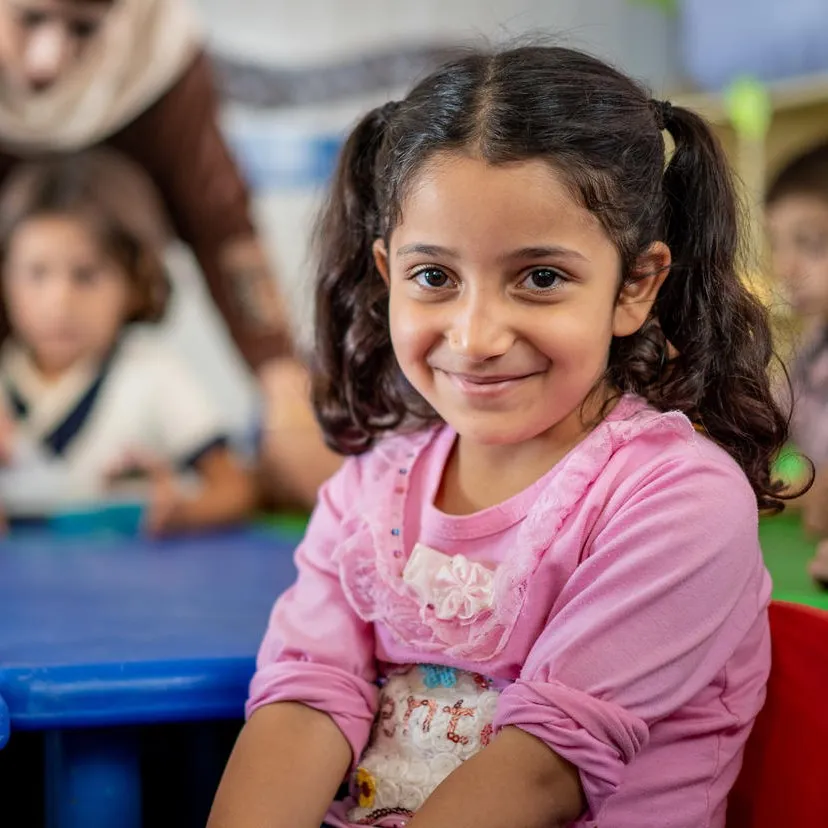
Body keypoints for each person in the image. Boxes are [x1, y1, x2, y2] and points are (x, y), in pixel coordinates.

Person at [208, 46, 791, 828]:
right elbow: (305, 701)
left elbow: (541, 770)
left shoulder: (678, 497)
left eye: (540, 277)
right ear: (387, 276)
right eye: (435, 277)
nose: (477, 336)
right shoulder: (369, 486)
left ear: (635, 286)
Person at [0, 0, 341, 508]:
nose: (46, 61)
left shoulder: (161, 63)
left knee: (307, 456)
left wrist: (282, 382)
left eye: (84, 29)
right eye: (30, 18)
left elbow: (225, 233)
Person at [0, 150, 255, 535]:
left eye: (85, 275)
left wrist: (179, 511)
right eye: (36, 274)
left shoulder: (153, 374)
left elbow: (234, 488)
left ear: (135, 282)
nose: (59, 302)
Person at [765, 142, 828, 582]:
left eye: (811, 243)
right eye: (776, 244)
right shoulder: (811, 344)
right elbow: (770, 420)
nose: (784, 267)